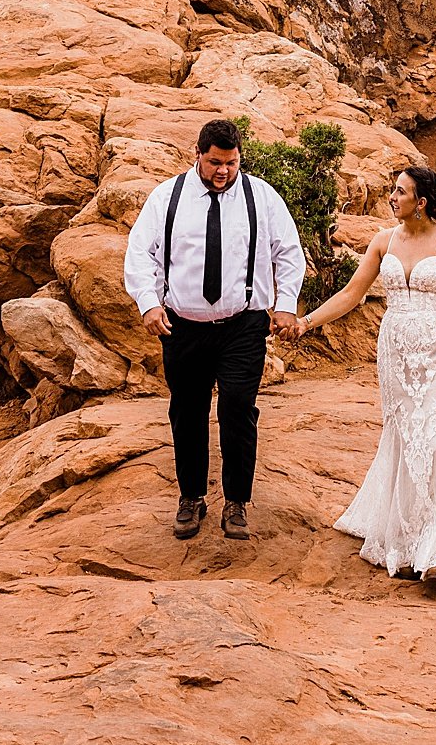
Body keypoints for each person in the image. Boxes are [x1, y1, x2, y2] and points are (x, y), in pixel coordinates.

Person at [298, 162, 436, 581]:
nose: (392, 198)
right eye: (393, 190)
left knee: (433, 435)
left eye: (400, 191)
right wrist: (308, 324)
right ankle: (404, 530)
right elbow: (351, 294)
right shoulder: (383, 241)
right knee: (403, 433)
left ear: (422, 201)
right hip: (395, 352)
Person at [124, 118, 304, 540]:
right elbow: (139, 253)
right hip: (182, 326)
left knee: (238, 408)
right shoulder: (166, 197)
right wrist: (148, 303)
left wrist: (287, 305)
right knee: (187, 411)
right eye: (215, 162)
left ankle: (237, 502)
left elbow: (288, 252)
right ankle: (191, 498)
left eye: (232, 163)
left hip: (242, 325)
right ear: (198, 155)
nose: (223, 171)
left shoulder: (262, 198)